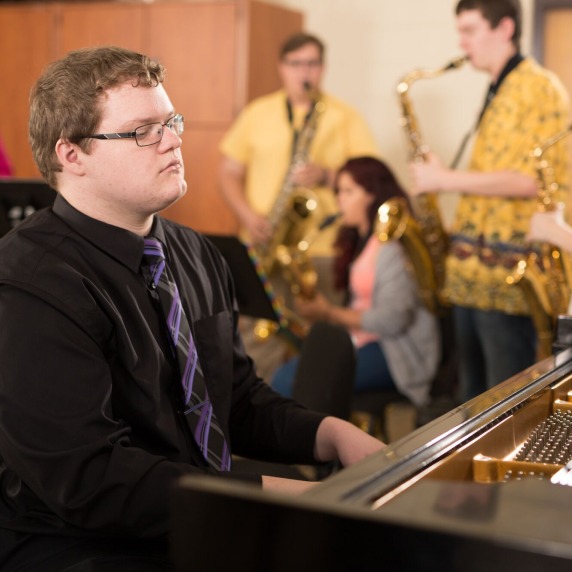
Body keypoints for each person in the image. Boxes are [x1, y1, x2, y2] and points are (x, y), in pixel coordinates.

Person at [0, 46, 384, 571]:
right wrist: (269, 495)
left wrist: (332, 434)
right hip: (79, 542)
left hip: (191, 505)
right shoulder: (27, 284)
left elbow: (236, 400)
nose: (174, 140)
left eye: (171, 122)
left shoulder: (197, 252)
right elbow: (89, 480)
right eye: (143, 131)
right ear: (72, 155)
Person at [409, 0, 570, 402]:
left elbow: (535, 180)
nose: (461, 42)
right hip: (471, 274)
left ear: (504, 29)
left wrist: (445, 179)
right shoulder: (498, 86)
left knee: (505, 407)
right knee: (472, 402)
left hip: (508, 274)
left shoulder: (539, 86)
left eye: (469, 30)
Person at [218, 32, 380, 382]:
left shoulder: (344, 116)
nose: (304, 72)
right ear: (282, 67)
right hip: (263, 244)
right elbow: (228, 173)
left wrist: (327, 174)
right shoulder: (257, 113)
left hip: (322, 251)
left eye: (312, 63)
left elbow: (371, 180)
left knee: (319, 341)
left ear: (323, 68)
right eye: (296, 64)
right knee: (255, 339)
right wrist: (248, 215)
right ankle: (259, 414)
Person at [271, 157, 440, 409]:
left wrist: (328, 313)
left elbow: (391, 321)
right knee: (288, 377)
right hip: (360, 340)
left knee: (291, 381)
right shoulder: (358, 241)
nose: (339, 199)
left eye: (348, 191)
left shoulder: (391, 247)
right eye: (338, 191)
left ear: (373, 195)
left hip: (394, 352)